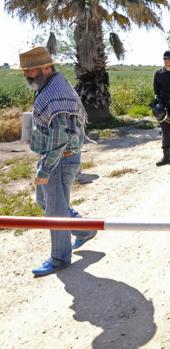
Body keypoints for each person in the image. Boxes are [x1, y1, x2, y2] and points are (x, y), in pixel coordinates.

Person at [17, 46, 97, 277]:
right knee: (45, 200)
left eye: (30, 71)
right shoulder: (55, 85)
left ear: (46, 68)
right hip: (62, 158)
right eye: (25, 71)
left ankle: (60, 257)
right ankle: (84, 230)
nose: (27, 75)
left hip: (59, 160)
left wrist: (45, 168)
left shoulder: (53, 93)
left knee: (54, 209)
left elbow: (59, 138)